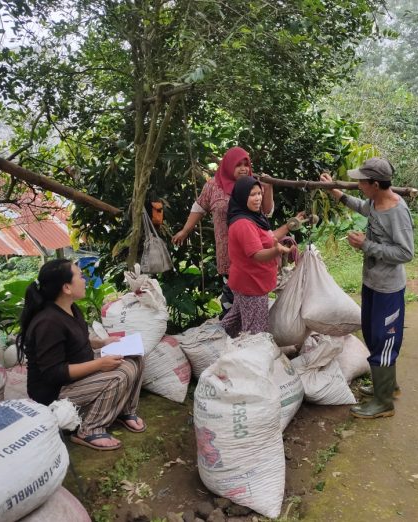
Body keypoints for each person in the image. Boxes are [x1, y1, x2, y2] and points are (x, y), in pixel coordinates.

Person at [16, 259, 145, 451]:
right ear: (67, 287)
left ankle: (124, 411)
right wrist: (99, 364)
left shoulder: (71, 308)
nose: (85, 280)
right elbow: (53, 373)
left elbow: (77, 340)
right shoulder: (48, 322)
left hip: (77, 374)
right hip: (54, 391)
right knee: (120, 374)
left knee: (136, 357)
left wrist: (101, 343)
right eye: (80, 276)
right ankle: (89, 429)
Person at [321, 158, 414, 420]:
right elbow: (361, 206)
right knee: (373, 335)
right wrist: (334, 191)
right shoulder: (374, 203)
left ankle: (384, 403)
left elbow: (406, 253)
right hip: (371, 282)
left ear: (375, 184)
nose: (357, 185)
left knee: (385, 340)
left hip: (388, 289)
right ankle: (386, 387)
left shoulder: (398, 212)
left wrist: (366, 246)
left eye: (362, 181)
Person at [172, 147, 274, 316]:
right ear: (227, 165)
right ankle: (232, 326)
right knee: (231, 292)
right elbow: (199, 207)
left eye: (246, 164)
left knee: (252, 292)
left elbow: (267, 211)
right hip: (228, 250)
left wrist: (268, 189)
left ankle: (251, 328)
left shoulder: (252, 184)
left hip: (253, 248)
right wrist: (185, 230)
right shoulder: (213, 186)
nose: (243, 169)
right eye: (238, 165)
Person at [220, 176, 305, 337]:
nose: (258, 198)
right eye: (252, 195)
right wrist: (277, 251)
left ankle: (212, 341)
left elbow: (269, 237)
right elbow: (257, 255)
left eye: (259, 193)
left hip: (248, 282)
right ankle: (252, 358)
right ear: (241, 196)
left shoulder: (253, 218)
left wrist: (289, 225)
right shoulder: (243, 224)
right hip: (252, 285)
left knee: (234, 321)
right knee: (256, 333)